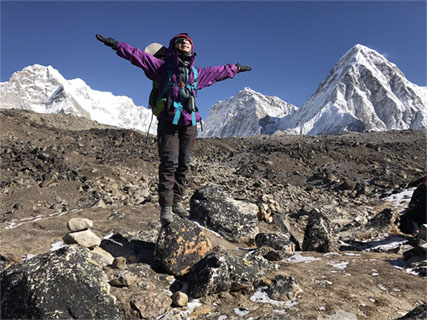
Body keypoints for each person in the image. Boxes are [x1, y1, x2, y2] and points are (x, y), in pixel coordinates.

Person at [96, 33, 252, 225]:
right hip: (169, 121)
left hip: (189, 123)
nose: (184, 43)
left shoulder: (197, 74)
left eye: (187, 42)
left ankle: (178, 202)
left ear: (191, 48)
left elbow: (219, 72)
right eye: (180, 42)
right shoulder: (161, 67)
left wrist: (235, 68)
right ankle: (166, 208)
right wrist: (116, 45)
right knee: (169, 163)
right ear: (174, 47)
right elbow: (137, 55)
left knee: (183, 164)